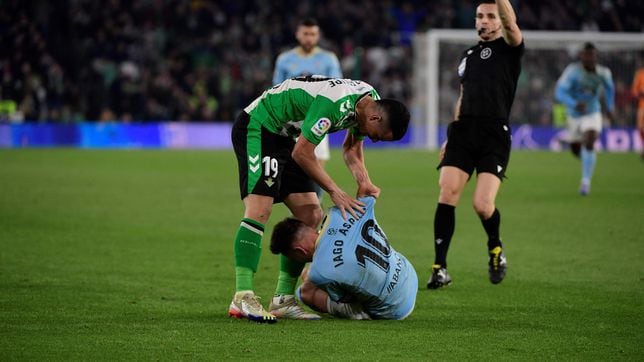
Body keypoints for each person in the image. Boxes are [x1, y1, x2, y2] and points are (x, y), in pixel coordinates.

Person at [228, 76, 410, 323]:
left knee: (311, 214)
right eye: (378, 135)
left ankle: (283, 298)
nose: (374, 140)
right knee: (260, 209)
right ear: (376, 118)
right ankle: (243, 295)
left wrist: (363, 180)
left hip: (286, 138)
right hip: (261, 126)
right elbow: (302, 153)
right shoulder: (334, 105)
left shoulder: (369, 101)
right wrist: (335, 191)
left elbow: (352, 149)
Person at [427, 0, 524, 289]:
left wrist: (503, 7)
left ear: (500, 20)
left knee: (482, 205)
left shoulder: (510, 47)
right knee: (447, 193)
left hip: (494, 133)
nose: (483, 21)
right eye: (479, 16)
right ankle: (439, 267)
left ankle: (495, 247)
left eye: (490, 16)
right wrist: (451, 134)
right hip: (463, 130)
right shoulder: (467, 55)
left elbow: (511, 24)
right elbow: (463, 95)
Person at [269, 196, 418, 320]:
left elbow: (348, 298)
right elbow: (369, 194)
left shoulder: (319, 273)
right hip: (409, 273)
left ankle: (361, 316)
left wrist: (310, 277)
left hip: (396, 309)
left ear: (299, 251)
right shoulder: (338, 212)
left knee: (306, 291)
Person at [273, 18, 343, 199]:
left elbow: (337, 87)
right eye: (305, 33)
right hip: (291, 121)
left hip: (318, 119)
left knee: (316, 167)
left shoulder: (328, 59)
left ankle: (314, 207)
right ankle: (301, 211)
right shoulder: (285, 59)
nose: (309, 38)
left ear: (318, 36)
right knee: (295, 167)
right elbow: (277, 89)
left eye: (312, 34)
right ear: (298, 34)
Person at [555, 42, 615, 195]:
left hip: (592, 112)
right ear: (581, 56)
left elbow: (609, 89)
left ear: (596, 57)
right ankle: (589, 160)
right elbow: (559, 92)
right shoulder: (572, 72)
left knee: (589, 140)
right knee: (576, 148)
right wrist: (574, 103)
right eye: (586, 55)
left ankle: (585, 182)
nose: (588, 58)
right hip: (574, 114)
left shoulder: (604, 73)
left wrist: (610, 107)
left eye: (591, 55)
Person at [631, 56, 644, 160]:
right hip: (642, 105)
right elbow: (634, 91)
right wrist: (640, 93)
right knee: (640, 127)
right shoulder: (640, 74)